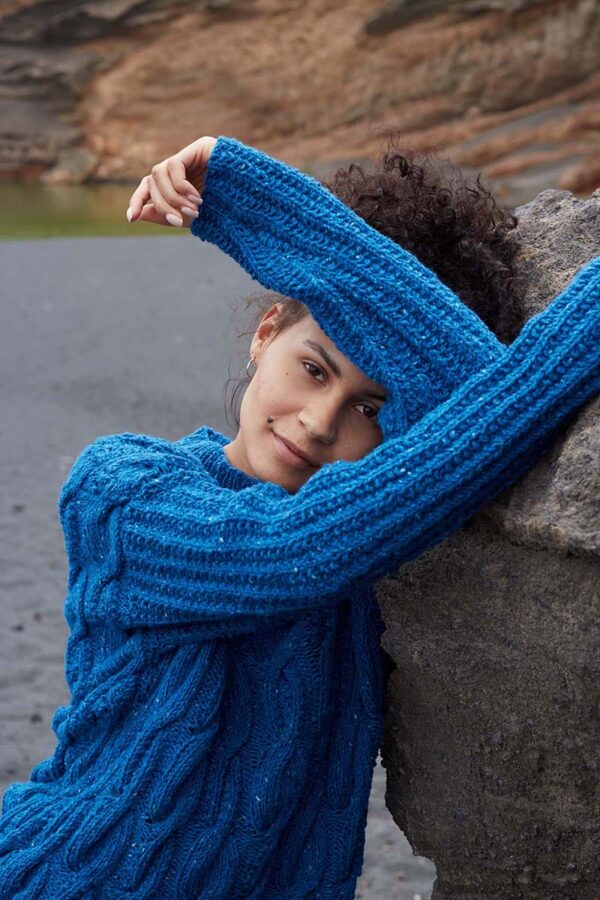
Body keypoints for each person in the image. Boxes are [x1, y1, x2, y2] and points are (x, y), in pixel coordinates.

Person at [0, 134, 597, 899]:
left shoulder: (385, 526)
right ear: (265, 333)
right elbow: (289, 549)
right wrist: (245, 191)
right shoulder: (122, 493)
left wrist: (260, 207)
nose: (319, 423)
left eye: (370, 408)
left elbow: (480, 393)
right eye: (313, 369)